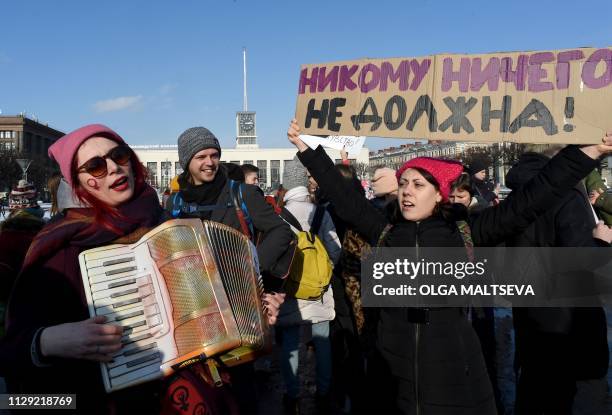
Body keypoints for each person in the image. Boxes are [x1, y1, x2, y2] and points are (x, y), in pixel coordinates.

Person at [287, 119, 612, 415]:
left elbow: (533, 198)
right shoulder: (385, 232)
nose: (406, 192)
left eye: (418, 185)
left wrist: (590, 152)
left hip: (453, 376)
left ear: (440, 194)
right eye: (404, 184)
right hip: (393, 377)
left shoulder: (465, 234)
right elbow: (345, 197)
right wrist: (307, 147)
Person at [0, 124, 284, 414]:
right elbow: (12, 353)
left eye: (119, 155)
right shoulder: (62, 245)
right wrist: (49, 341)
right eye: (95, 166)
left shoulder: (165, 224)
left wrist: (252, 311)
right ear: (78, 182)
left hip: (195, 396)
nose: (113, 168)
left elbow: (203, 314)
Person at [165, 126, 293, 411]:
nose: (209, 162)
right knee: (201, 388)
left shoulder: (241, 193)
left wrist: (251, 266)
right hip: (194, 310)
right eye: (201, 156)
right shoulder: (174, 202)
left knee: (241, 384)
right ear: (187, 161)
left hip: (238, 307)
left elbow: (282, 232)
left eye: (214, 155)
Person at [504, 144, 612, 414]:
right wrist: (602, 243)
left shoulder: (517, 194)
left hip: (531, 316)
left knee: (535, 393)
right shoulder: (566, 195)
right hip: (569, 326)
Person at [275, 157, 341, 414]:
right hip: (319, 289)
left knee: (290, 344)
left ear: (286, 184)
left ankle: (292, 395)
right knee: (322, 340)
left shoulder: (279, 216)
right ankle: (324, 392)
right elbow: (335, 248)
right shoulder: (320, 212)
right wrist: (323, 274)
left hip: (289, 289)